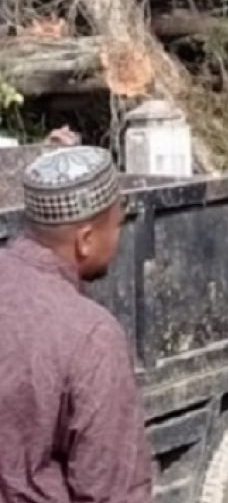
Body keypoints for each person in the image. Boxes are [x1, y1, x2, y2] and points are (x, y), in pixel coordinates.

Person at [0, 147, 152, 503]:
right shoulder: (92, 338)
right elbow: (112, 490)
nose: (119, 236)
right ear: (85, 240)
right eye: (117, 225)